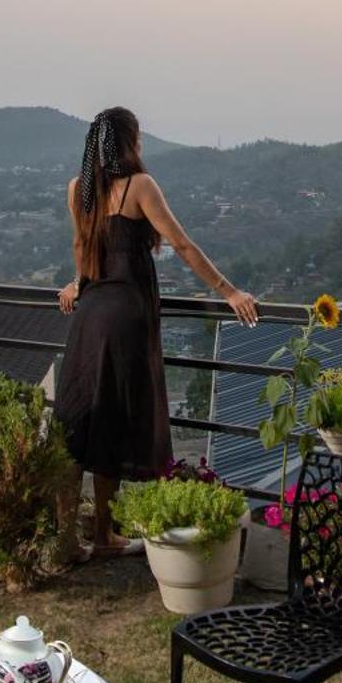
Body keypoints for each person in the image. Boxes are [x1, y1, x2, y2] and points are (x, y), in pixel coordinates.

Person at [55, 106, 258, 558]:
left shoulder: (78, 191)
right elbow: (183, 244)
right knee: (111, 420)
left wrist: (76, 283)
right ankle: (105, 534)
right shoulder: (138, 187)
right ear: (129, 142)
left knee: (78, 420)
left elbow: (81, 246)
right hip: (127, 313)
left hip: (89, 314)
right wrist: (228, 291)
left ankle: (67, 537)